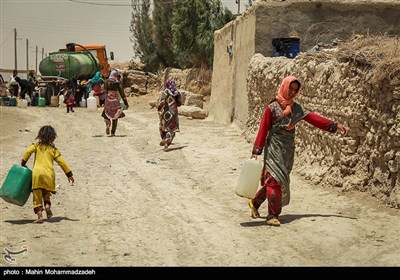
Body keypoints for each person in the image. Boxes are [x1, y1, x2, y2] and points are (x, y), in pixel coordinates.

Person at [248, 75, 348, 226]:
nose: (292, 93)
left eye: (295, 90)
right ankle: (272, 215)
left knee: (278, 180)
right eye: (290, 89)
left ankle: (255, 203)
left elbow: (314, 118)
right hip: (274, 148)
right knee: (274, 179)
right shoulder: (272, 108)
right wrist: (256, 151)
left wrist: (334, 126)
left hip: (287, 150)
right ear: (284, 87)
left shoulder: (296, 109)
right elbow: (263, 129)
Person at [21, 125, 74, 223]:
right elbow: (62, 162)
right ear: (52, 137)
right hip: (49, 175)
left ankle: (40, 216)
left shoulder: (36, 145)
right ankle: (47, 206)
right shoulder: (54, 149)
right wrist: (69, 174)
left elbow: (28, 152)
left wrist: (23, 163)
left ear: (40, 135)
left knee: (37, 196)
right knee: (46, 193)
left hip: (37, 174)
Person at [101, 70, 129, 136]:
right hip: (115, 101)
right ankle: (113, 132)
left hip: (108, 100)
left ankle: (107, 124)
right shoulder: (117, 82)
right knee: (115, 115)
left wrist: (104, 100)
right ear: (116, 75)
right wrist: (126, 103)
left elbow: (104, 92)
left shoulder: (106, 81)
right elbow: (122, 93)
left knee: (105, 113)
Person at [157, 79, 182, 150]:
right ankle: (167, 143)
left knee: (162, 126)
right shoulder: (177, 93)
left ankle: (164, 138)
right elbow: (179, 104)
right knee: (172, 129)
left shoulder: (165, 92)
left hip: (165, 113)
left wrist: (159, 110)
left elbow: (161, 102)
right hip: (174, 113)